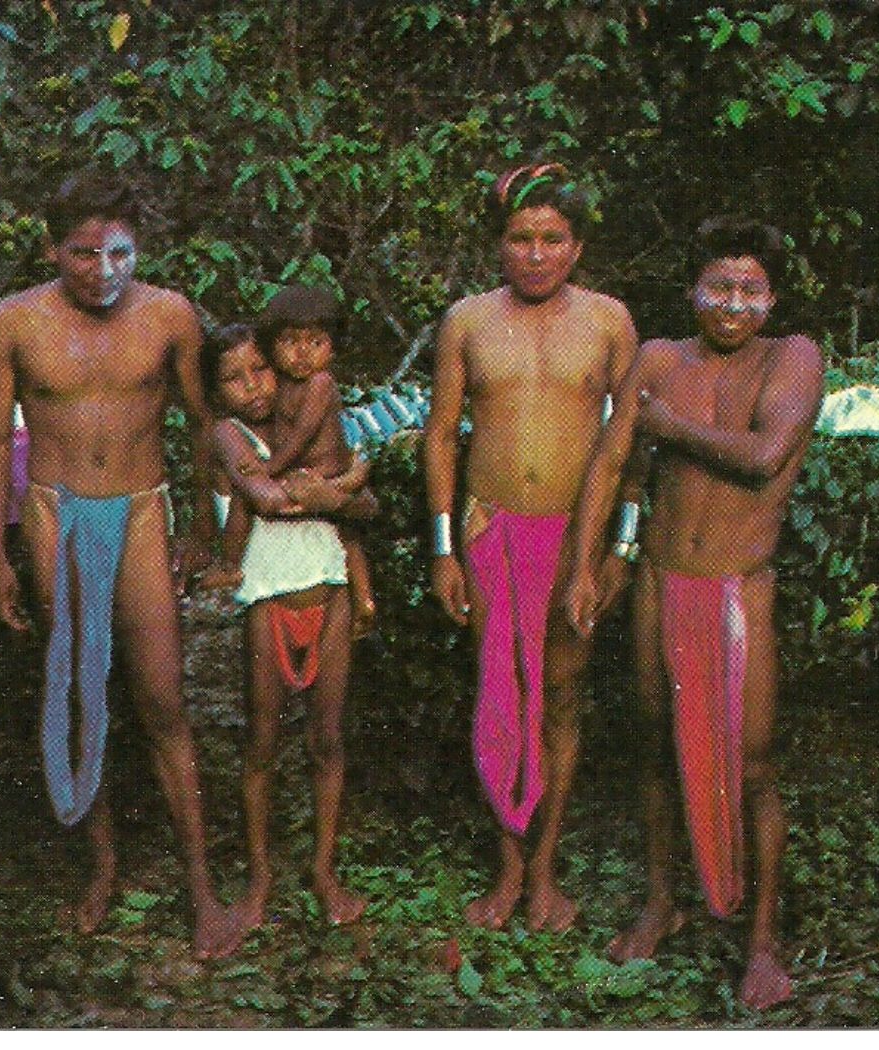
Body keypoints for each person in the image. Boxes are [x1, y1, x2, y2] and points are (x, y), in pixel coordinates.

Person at [0, 171, 246, 958]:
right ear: (51, 248)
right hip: (56, 511)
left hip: (137, 509)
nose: (103, 272)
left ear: (140, 246)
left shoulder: (168, 315)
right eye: (83, 254)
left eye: (120, 252)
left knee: (163, 699)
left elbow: (204, 425)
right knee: (79, 689)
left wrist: (200, 522)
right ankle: (101, 867)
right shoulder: (13, 321)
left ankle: (202, 889)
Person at [564, 216, 824, 1009]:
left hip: (736, 587)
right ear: (692, 291)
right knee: (652, 744)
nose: (733, 305)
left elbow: (762, 456)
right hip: (657, 581)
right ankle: (660, 900)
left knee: (751, 764)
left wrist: (663, 425)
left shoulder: (793, 358)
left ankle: (762, 943)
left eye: (750, 289)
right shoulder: (656, 359)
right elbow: (616, 468)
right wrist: (588, 564)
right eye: (719, 286)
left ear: (772, 297)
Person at [423, 162, 639, 931]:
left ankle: (544, 872)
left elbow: (627, 444)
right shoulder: (467, 322)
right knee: (499, 692)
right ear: (499, 245)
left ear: (577, 247)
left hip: (573, 536)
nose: (536, 255)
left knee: (560, 694)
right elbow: (442, 436)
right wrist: (444, 546)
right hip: (490, 532)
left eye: (552, 239)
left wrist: (618, 548)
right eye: (521, 239)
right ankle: (507, 870)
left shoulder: (610, 322)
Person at [201, 327, 377, 928]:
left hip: (330, 594)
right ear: (215, 391)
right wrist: (331, 491)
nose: (252, 387)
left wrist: (339, 491)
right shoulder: (229, 435)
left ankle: (323, 871)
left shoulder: (315, 414)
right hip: (269, 602)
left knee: (327, 741)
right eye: (233, 377)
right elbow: (266, 498)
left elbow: (369, 505)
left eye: (260, 370)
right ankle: (260, 878)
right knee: (262, 743)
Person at [231, 285, 376, 638]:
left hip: (330, 468)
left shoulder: (321, 383)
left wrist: (271, 467)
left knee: (345, 530)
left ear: (332, 348)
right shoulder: (280, 385)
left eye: (315, 343)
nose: (302, 354)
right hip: (309, 471)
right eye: (290, 342)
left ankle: (365, 597)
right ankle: (230, 564)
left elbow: (303, 435)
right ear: (272, 347)